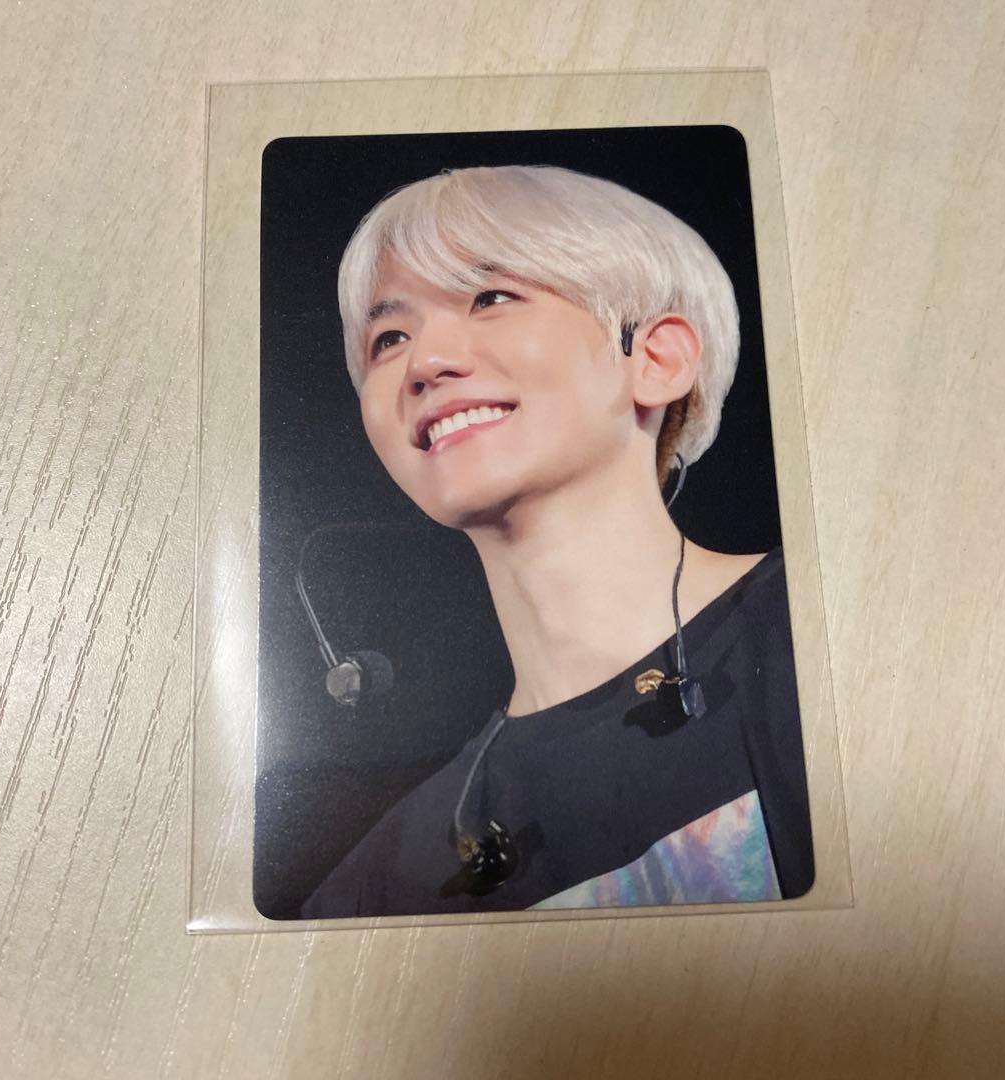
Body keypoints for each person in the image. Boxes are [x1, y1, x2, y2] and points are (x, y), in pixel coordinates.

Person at [300, 164, 813, 918]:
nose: (425, 363)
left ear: (656, 359)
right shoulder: (378, 889)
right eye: (389, 337)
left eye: (491, 298)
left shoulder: (827, 635)